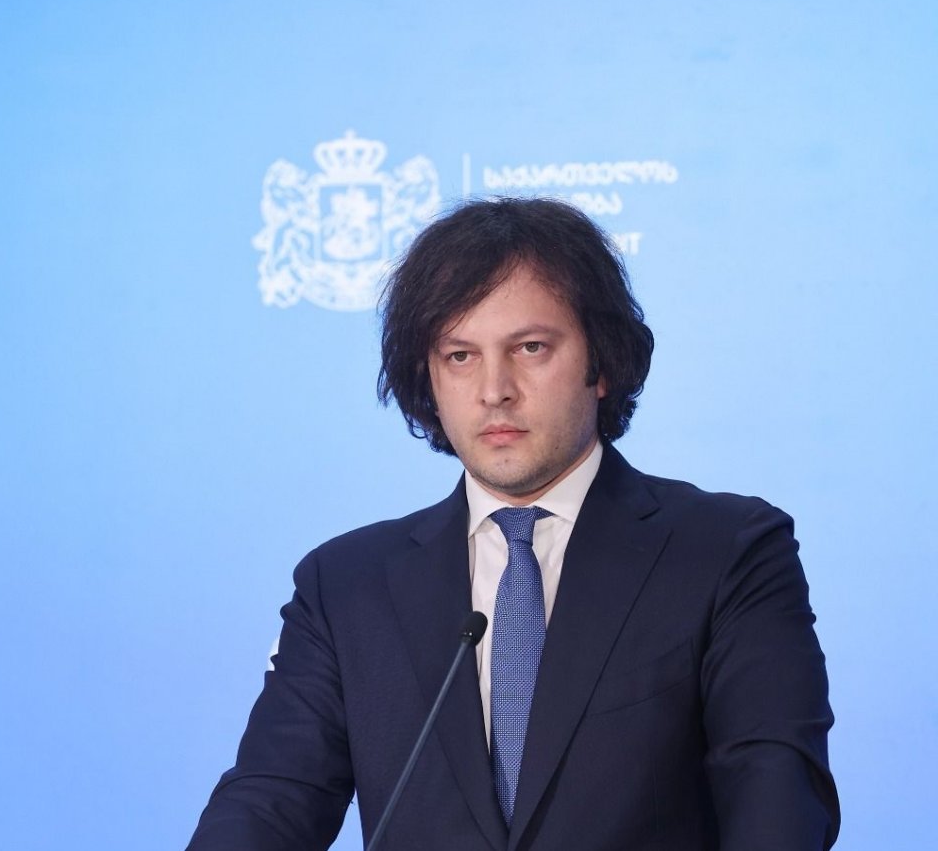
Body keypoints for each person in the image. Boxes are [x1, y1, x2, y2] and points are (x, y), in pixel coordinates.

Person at [187, 197, 839, 850]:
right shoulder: (345, 585)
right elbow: (271, 799)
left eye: (529, 348)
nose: (494, 389)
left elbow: (775, 794)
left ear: (602, 363)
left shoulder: (726, 551)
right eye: (459, 356)